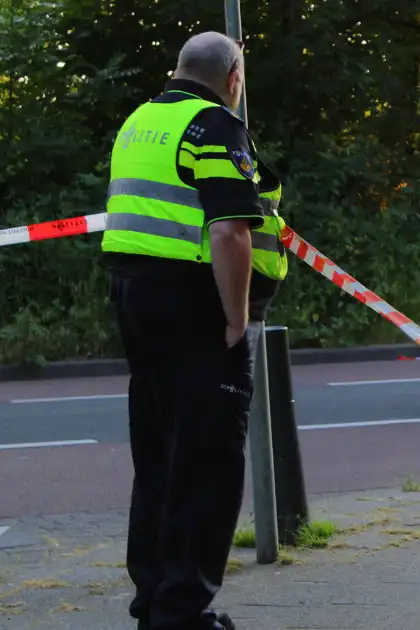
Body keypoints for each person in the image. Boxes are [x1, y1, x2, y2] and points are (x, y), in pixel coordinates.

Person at [102, 31, 289, 630]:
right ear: (233, 74)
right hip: (192, 304)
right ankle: (183, 612)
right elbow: (230, 230)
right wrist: (236, 316)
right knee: (207, 459)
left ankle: (153, 601)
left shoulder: (139, 121)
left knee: (158, 456)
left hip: (135, 296)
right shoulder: (214, 126)